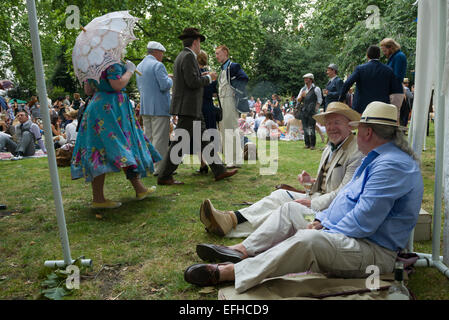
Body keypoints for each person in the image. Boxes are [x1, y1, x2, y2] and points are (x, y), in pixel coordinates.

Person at [184, 101, 424, 293]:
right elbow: (346, 201)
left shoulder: (391, 166)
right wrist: (322, 219)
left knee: (309, 240)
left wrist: (324, 227)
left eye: (356, 127)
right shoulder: (378, 158)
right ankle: (242, 252)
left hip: (372, 251)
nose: (353, 131)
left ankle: (231, 272)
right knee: (291, 210)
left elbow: (364, 220)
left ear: (368, 132)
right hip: (351, 234)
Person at [199, 102, 362, 237]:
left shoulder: (356, 151)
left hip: (329, 209)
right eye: (328, 123)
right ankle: (230, 219)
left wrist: (312, 202)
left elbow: (343, 193)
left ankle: (227, 225)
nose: (331, 127)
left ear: (349, 125)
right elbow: (328, 179)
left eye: (337, 123)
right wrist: (312, 180)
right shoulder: (331, 146)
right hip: (315, 195)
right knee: (279, 195)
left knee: (284, 209)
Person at [70, 59, 161, 209]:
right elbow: (117, 84)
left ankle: (139, 189)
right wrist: (130, 70)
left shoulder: (92, 63)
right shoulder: (109, 63)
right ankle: (98, 199)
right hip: (110, 110)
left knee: (117, 148)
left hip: (100, 107)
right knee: (108, 149)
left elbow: (88, 90)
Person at [156, 28, 237, 185]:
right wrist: (208, 78)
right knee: (179, 143)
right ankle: (164, 175)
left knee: (204, 139)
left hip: (191, 107)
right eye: (199, 41)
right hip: (189, 107)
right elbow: (192, 82)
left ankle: (219, 171)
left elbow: (190, 79)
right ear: (195, 42)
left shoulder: (183, 56)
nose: (200, 45)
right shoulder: (187, 57)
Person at [136, 41, 173, 176]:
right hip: (159, 107)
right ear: (157, 52)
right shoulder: (158, 65)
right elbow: (164, 85)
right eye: (162, 53)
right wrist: (170, 79)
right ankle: (160, 168)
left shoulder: (139, 66)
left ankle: (149, 165)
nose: (162, 56)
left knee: (149, 138)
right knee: (160, 139)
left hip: (145, 107)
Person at [338, 45, 403, 114]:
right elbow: (395, 89)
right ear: (379, 55)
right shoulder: (388, 70)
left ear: (367, 55)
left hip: (361, 108)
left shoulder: (360, 69)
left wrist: (341, 99)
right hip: (381, 109)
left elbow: (347, 83)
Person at [215, 45, 249, 168]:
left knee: (230, 130)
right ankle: (231, 159)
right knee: (224, 130)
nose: (216, 56)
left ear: (225, 52)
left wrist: (236, 90)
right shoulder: (223, 69)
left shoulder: (233, 66)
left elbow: (244, 78)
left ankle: (235, 160)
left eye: (218, 53)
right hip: (222, 102)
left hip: (229, 101)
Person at [197, 50, 219, 174]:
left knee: (198, 136)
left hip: (198, 107)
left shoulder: (195, 75)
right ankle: (215, 163)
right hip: (209, 106)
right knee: (211, 135)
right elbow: (215, 92)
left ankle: (202, 164)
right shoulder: (212, 75)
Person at [380, 38, 407, 120]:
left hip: (395, 90)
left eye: (385, 51)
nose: (384, 53)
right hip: (393, 90)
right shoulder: (395, 57)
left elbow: (397, 76)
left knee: (393, 116)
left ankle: (393, 133)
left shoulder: (399, 57)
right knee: (391, 115)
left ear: (391, 48)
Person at [296, 73, 322, 150]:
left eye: (306, 78)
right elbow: (298, 100)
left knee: (311, 127)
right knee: (305, 127)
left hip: (312, 110)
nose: (305, 80)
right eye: (304, 78)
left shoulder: (316, 88)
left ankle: (313, 145)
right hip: (304, 110)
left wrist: (316, 108)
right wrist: (302, 96)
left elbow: (319, 99)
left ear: (311, 79)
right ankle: (307, 144)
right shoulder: (303, 89)